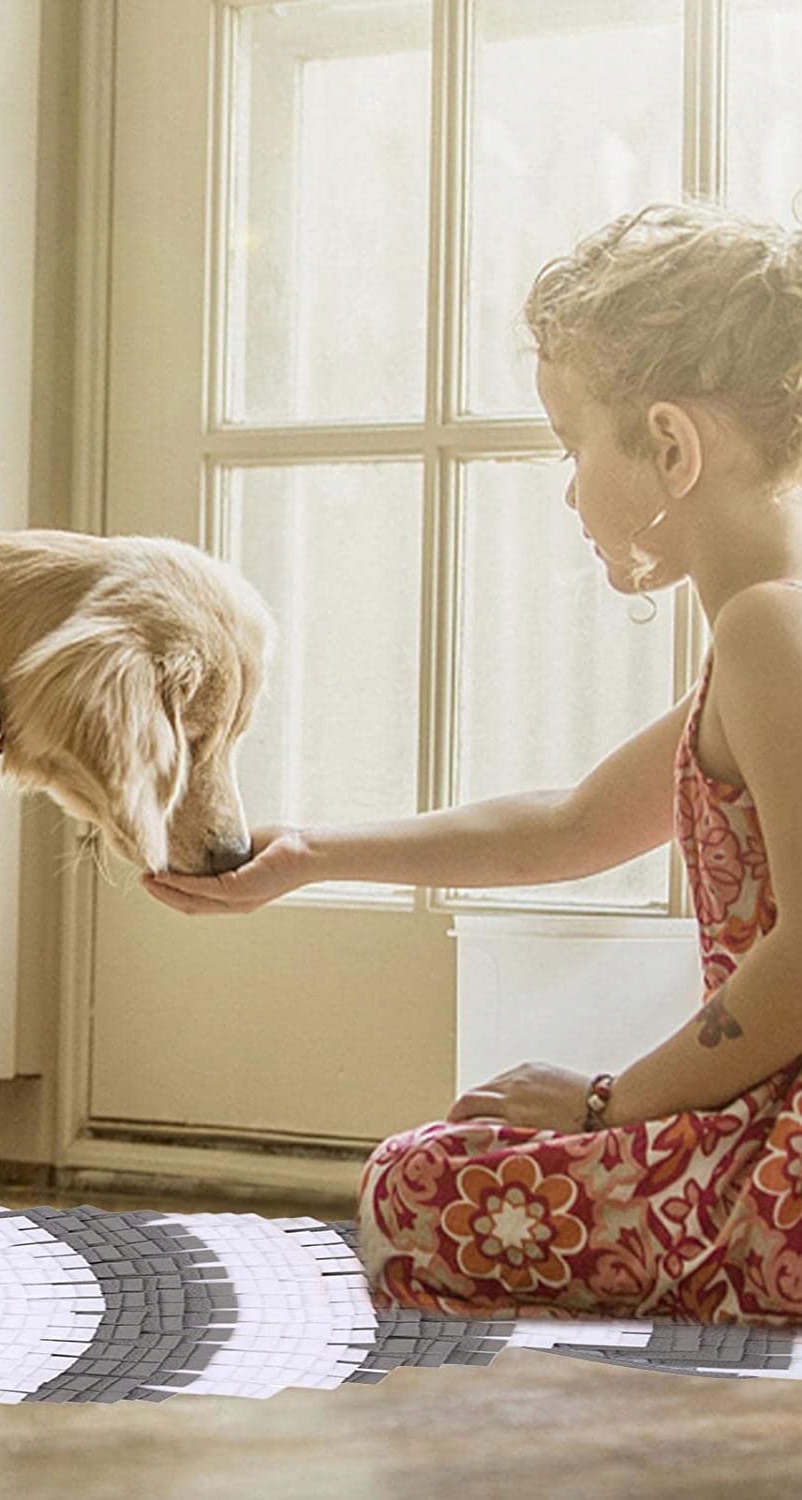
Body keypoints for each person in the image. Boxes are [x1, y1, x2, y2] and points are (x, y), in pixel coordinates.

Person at [144, 201, 802, 1325]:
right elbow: (569, 825)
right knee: (444, 1167)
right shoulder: (764, 642)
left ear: (672, 447)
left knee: (419, 1190)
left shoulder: (767, 635)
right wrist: (305, 855)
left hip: (776, 1163)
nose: (568, 492)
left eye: (572, 448)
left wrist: (608, 1104)